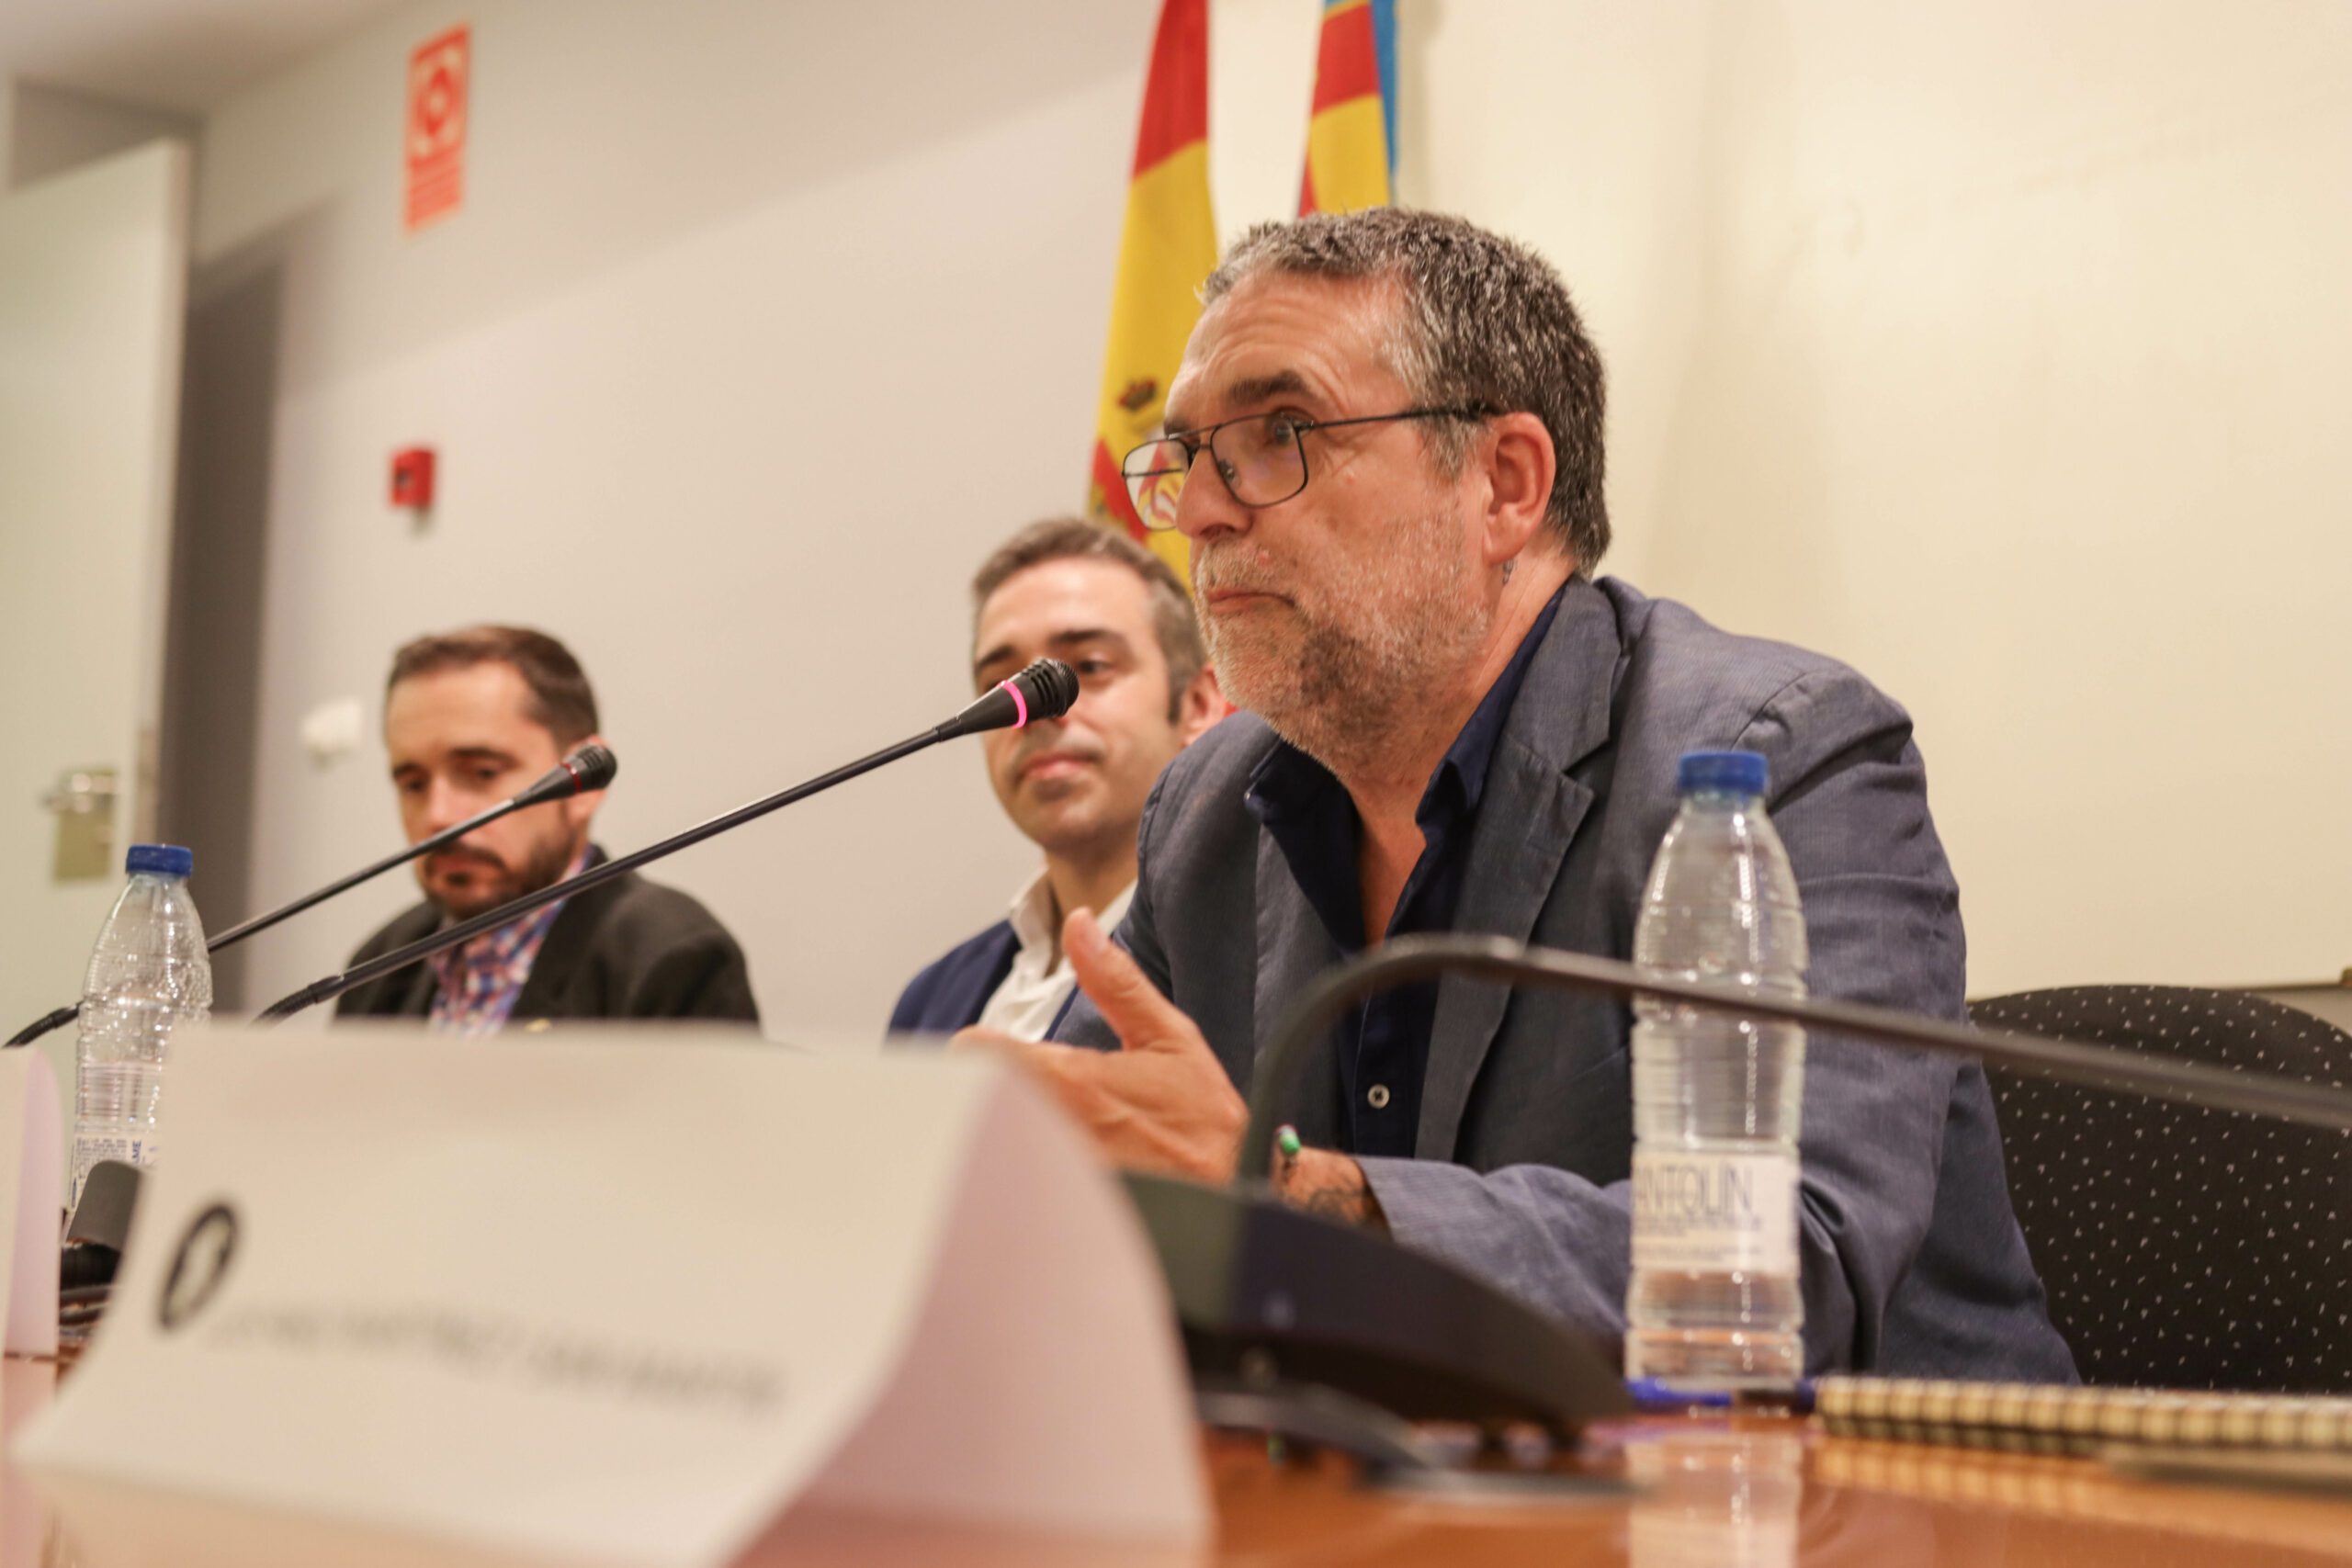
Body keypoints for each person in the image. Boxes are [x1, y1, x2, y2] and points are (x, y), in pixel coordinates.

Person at [960, 209, 2074, 1380]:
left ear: (1504, 484)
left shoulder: (1777, 761)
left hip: (1877, 1477)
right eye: (1187, 455)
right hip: (1411, 1473)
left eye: (1279, 434)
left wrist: (1297, 1204)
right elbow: (1090, 1169)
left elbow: (1785, 1266)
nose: (1199, 509)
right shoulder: (1208, 811)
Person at [891, 519, 1225, 1038]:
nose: (1032, 710)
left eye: (1089, 667)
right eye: (999, 686)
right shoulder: (929, 1001)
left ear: (1198, 704)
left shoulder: (1245, 965)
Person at [336, 626, 760, 1032]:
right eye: (413, 784)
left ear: (584, 784)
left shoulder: (671, 958)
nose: (439, 816)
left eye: (483, 773)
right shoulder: (377, 968)